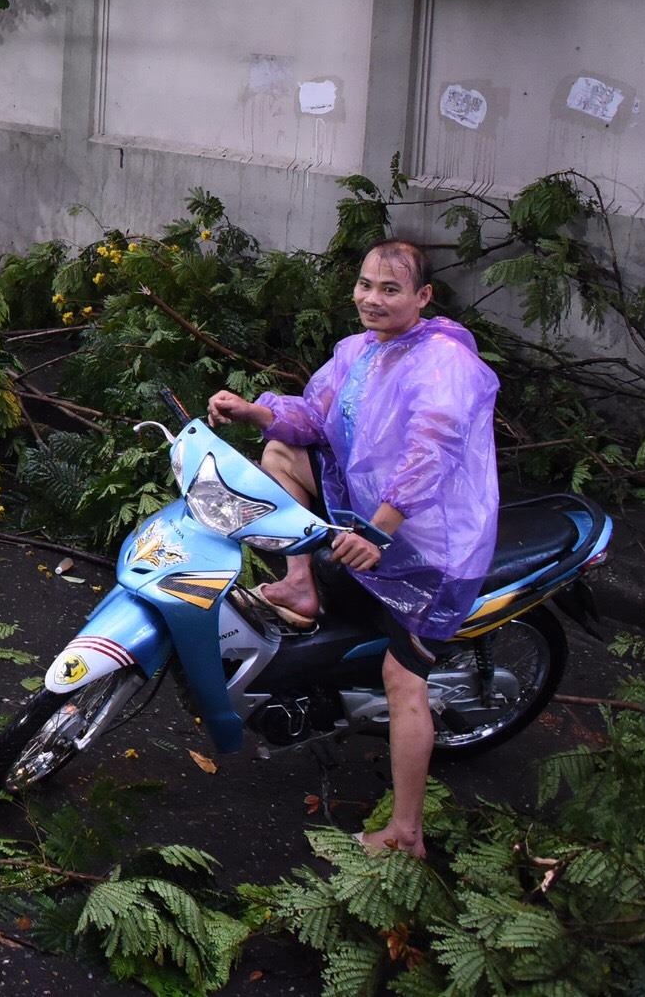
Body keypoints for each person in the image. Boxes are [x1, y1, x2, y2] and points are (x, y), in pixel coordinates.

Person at [206, 239, 499, 858]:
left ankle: (406, 833)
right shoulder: (359, 352)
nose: (372, 299)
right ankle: (300, 584)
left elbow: (432, 454)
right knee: (283, 454)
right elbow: (312, 420)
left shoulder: (445, 362)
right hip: (368, 513)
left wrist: (376, 529)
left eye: (390, 289)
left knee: (403, 678)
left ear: (423, 297)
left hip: (432, 546)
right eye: (365, 285)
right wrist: (253, 411)